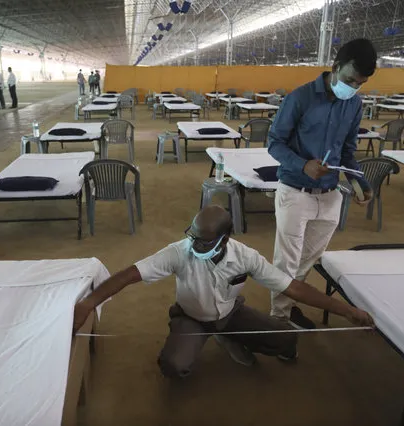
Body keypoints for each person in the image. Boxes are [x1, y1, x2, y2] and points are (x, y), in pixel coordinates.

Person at [73, 205, 374, 379]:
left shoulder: (246, 257)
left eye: (204, 242)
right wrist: (89, 303)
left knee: (287, 338)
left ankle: (227, 334)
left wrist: (348, 311)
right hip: (190, 318)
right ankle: (214, 335)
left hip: (231, 314)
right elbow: (128, 275)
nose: (196, 245)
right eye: (193, 237)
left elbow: (293, 287)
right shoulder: (178, 252)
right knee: (173, 366)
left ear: (225, 238)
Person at [267, 38, 377, 329]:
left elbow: (349, 152)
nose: (353, 87)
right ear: (335, 67)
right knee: (287, 261)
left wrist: (360, 182)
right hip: (296, 192)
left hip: (330, 195)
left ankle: (288, 306)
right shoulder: (300, 98)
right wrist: (303, 164)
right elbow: (274, 143)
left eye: (360, 83)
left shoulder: (354, 105)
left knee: (307, 259)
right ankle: (278, 319)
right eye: (350, 79)